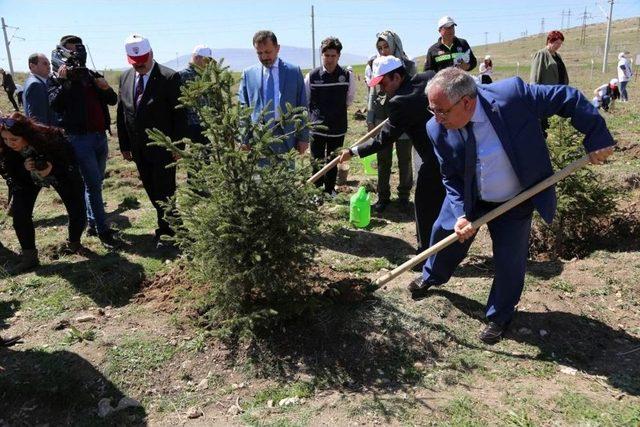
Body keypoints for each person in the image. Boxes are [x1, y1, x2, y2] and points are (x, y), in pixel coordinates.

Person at [410, 68, 615, 344]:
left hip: (514, 198)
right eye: (432, 109)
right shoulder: (436, 128)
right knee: (444, 234)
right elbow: (450, 175)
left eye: (442, 111)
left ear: (467, 102)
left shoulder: (512, 97)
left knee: (510, 258)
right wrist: (460, 214)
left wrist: (597, 135)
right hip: (470, 196)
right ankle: (432, 275)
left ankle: (499, 314)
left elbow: (567, 97)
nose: (437, 117)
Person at [338, 56, 445, 259]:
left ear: (397, 76)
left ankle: (426, 254)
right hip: (453, 151)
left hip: (435, 159)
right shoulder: (427, 78)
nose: (381, 90)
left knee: (424, 204)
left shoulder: (400, 102)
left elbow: (383, 140)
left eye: (384, 84)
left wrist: (353, 151)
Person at [116, 34, 187, 249]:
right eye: (135, 63)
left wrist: (177, 146)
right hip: (138, 149)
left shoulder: (169, 77)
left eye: (143, 62)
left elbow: (179, 114)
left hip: (163, 148)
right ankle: (175, 227)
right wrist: (125, 145)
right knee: (151, 190)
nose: (140, 67)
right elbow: (122, 113)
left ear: (152, 54)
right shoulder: (125, 78)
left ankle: (167, 233)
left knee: (165, 191)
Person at [49, 35, 120, 249]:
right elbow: (55, 106)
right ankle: (103, 230)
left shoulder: (90, 75)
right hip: (79, 139)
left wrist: (105, 87)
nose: (76, 54)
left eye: (78, 49)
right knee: (93, 185)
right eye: (71, 50)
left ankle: (91, 223)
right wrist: (63, 83)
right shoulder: (57, 78)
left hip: (99, 137)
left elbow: (113, 100)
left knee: (96, 183)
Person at [0, 112, 87, 273]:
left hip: (62, 173)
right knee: (20, 214)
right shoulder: (6, 147)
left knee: (77, 209)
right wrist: (24, 168)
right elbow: (10, 173)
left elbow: (69, 160)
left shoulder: (49, 137)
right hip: (27, 178)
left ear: (25, 135)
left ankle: (74, 243)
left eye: (14, 139)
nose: (9, 143)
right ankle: (29, 258)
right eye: (5, 139)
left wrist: (52, 168)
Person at [364, 30, 416, 213]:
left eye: (386, 46)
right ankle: (383, 196)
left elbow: (412, 91)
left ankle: (404, 196)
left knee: (404, 158)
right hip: (381, 116)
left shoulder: (408, 65)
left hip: (402, 118)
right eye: (380, 47)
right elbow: (371, 92)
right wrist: (370, 117)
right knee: (382, 157)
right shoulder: (373, 63)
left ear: (395, 45)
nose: (383, 50)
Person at [238, 30, 308, 155]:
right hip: (258, 138)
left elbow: (302, 105)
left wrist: (303, 137)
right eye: (259, 53)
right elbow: (243, 108)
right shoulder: (248, 74)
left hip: (286, 136)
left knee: (286, 173)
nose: (264, 57)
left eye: (268, 52)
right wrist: (244, 137)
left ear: (277, 48)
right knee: (260, 175)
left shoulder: (293, 72)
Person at [304, 37, 355, 196]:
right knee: (317, 160)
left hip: (338, 126)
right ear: (322, 55)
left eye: (333, 56)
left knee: (334, 159)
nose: (330, 59)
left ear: (339, 56)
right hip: (317, 127)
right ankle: (316, 191)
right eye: (327, 56)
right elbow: (306, 99)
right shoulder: (312, 76)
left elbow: (350, 99)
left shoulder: (347, 76)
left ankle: (329, 189)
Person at [179, 44, 214, 145]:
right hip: (191, 124)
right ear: (196, 58)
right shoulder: (183, 75)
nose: (208, 63)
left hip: (204, 122)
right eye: (206, 60)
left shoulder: (204, 75)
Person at [23, 53, 56, 126]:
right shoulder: (36, 85)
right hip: (46, 134)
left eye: (49, 64)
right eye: (45, 64)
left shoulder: (31, 81)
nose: (49, 67)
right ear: (32, 66)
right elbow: (38, 119)